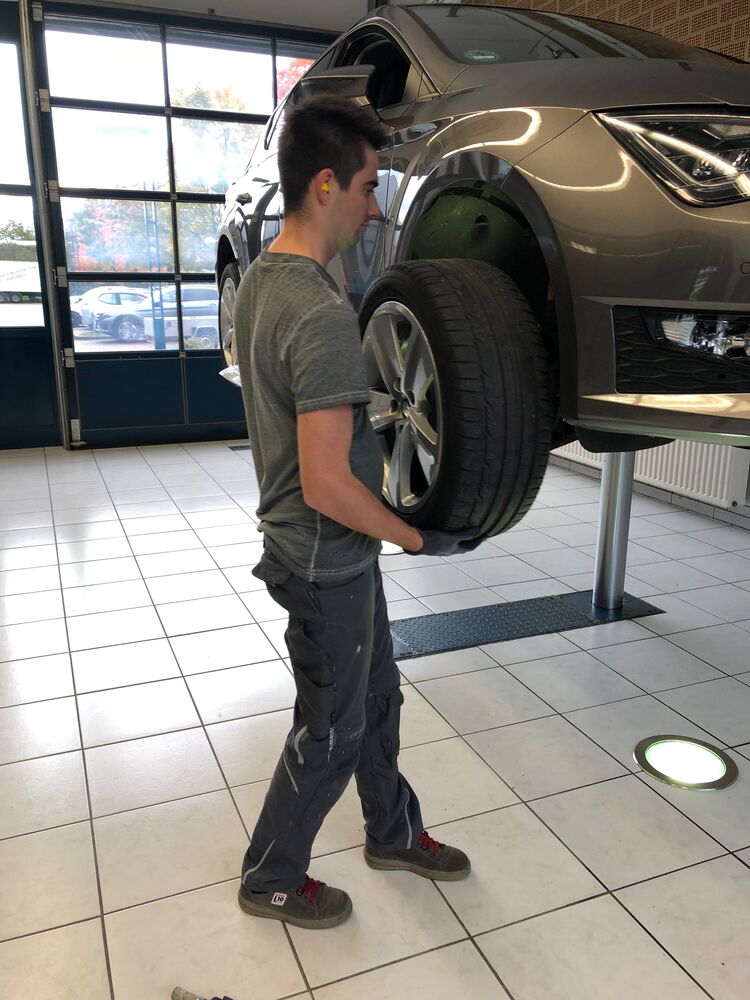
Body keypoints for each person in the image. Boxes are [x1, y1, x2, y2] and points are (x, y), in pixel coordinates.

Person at [233, 94, 478, 931]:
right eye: (370, 186)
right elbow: (326, 484)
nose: (376, 207)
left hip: (330, 555)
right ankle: (270, 876)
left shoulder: (265, 280)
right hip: (324, 559)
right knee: (331, 730)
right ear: (326, 185)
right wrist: (415, 538)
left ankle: (392, 832)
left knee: (376, 701)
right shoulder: (316, 310)